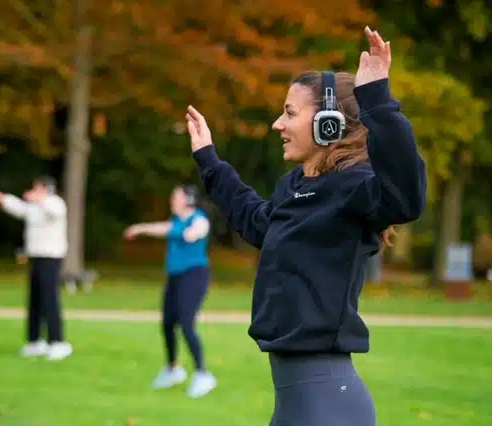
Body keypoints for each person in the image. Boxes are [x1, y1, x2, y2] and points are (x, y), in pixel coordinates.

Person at [185, 26, 427, 425]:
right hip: (298, 402)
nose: (277, 124)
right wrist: (210, 162)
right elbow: (258, 224)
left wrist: (378, 101)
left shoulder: (355, 187)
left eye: (290, 113)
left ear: (329, 122)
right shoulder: (295, 187)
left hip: (326, 400)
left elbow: (407, 198)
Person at [123, 185, 218, 398]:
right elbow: (163, 228)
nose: (172, 200)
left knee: (186, 323)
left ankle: (203, 375)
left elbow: (194, 234)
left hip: (194, 277)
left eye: (176, 197)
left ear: (188, 200)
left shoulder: (199, 219)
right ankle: (173, 369)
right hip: (175, 278)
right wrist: (140, 229)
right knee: (167, 324)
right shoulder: (177, 221)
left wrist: (180, 232)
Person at [0, 176, 73, 361]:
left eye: (37, 188)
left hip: (51, 258)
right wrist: (2, 198)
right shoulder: (34, 208)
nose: (33, 191)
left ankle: (58, 342)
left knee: (50, 300)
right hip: (36, 257)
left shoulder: (55, 203)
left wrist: (40, 199)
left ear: (46, 190)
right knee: (35, 300)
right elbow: (20, 209)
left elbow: (55, 211)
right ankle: (35, 341)